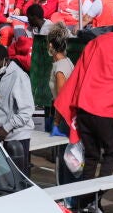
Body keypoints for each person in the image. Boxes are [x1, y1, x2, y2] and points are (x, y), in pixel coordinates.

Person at [54, 21, 113, 211]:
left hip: (83, 107)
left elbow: (80, 73)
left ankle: (83, 202)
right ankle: (93, 197)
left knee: (91, 156)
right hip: (103, 110)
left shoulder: (94, 43)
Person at [0, 44, 35, 177]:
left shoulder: (19, 76)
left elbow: (26, 111)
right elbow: (2, 108)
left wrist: (7, 127)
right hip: (6, 136)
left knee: (20, 177)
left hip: (19, 136)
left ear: (6, 59)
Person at [47, 22, 77, 207]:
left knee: (64, 161)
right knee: (69, 158)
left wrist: (56, 123)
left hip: (64, 119)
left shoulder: (60, 69)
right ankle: (70, 198)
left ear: (51, 45)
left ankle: (67, 200)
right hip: (68, 117)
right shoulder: (66, 62)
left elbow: (61, 100)